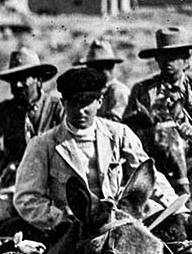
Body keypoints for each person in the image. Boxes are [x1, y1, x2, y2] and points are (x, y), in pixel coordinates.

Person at [12, 66, 179, 235]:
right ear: (63, 103)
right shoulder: (43, 145)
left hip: (118, 222)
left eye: (86, 103)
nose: (80, 110)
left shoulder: (119, 134)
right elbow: (26, 198)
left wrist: (177, 208)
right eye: (73, 103)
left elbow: (150, 177)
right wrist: (58, 220)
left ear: (99, 102)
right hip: (73, 229)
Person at [122, 26, 192, 192]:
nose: (168, 62)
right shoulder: (143, 91)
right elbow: (130, 129)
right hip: (158, 164)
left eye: (174, 57)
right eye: (163, 57)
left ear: (186, 60)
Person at [33, 37, 129, 134]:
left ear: (109, 68)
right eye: (91, 67)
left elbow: (116, 122)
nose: (94, 72)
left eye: (99, 67)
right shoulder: (88, 90)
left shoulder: (118, 92)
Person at [0, 47, 56, 175]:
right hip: (15, 178)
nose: (17, 84)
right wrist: (6, 166)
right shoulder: (3, 111)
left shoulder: (56, 108)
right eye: (13, 79)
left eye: (23, 78)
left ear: (38, 80)